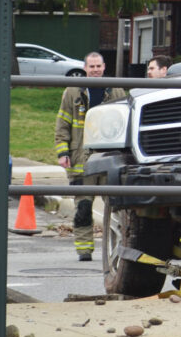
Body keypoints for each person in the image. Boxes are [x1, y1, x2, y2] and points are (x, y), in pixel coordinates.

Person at [54, 52, 127, 261]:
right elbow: (62, 125)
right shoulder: (72, 92)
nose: (95, 70)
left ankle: (119, 247)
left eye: (98, 66)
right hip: (80, 160)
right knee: (83, 207)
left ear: (104, 67)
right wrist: (62, 153)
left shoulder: (116, 90)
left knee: (116, 207)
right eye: (91, 66)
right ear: (85, 68)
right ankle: (84, 250)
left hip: (108, 158)